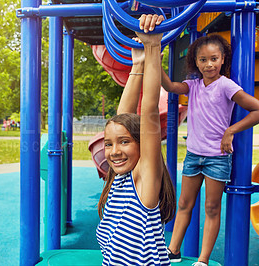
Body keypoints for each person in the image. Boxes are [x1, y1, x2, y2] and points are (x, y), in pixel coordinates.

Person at [162, 34, 259, 265]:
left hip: (217, 157)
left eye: (214, 59)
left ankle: (203, 260)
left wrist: (230, 131)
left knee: (212, 208)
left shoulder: (226, 85)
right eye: (203, 60)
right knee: (184, 204)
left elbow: (256, 110)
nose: (209, 64)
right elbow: (169, 86)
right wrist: (154, 56)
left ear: (223, 59)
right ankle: (173, 250)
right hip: (194, 156)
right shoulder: (192, 86)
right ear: (196, 62)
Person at [96, 14, 176, 265]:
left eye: (125, 142)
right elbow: (123, 118)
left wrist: (153, 47)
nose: (114, 151)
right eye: (109, 144)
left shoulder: (144, 183)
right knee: (121, 122)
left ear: (143, 145)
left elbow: (149, 111)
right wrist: (138, 65)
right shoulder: (118, 178)